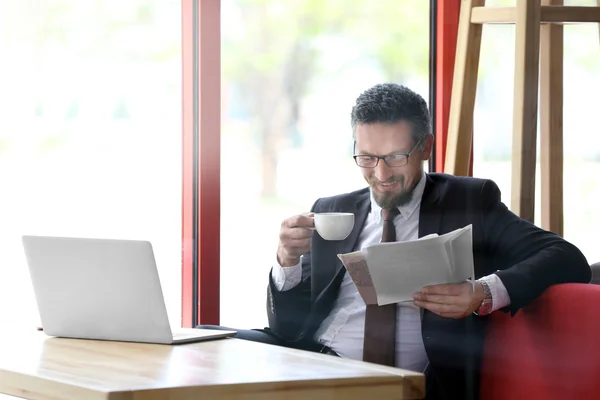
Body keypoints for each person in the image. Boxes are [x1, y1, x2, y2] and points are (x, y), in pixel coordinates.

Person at [200, 83, 591, 400]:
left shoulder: (470, 201)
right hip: (312, 361)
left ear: (425, 147)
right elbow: (287, 326)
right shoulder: (331, 210)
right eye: (367, 158)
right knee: (199, 342)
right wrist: (286, 261)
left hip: (402, 382)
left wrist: (482, 293)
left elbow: (564, 255)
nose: (381, 174)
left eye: (396, 157)